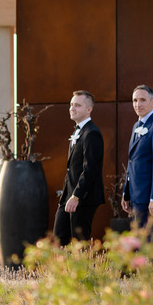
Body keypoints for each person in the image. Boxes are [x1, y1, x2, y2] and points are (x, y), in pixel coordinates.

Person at [53, 90, 105, 244]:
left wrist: (76, 196)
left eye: (77, 105)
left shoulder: (92, 133)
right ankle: (63, 269)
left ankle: (82, 268)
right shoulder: (78, 131)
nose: (72, 108)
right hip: (68, 196)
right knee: (59, 237)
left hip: (83, 197)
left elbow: (90, 168)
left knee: (79, 243)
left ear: (89, 109)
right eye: (71, 104)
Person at [122, 84, 153, 235]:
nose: (138, 104)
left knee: (146, 243)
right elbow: (132, 161)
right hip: (135, 195)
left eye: (142, 100)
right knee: (139, 243)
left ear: (152, 102)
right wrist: (126, 192)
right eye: (135, 100)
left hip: (148, 197)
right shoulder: (136, 125)